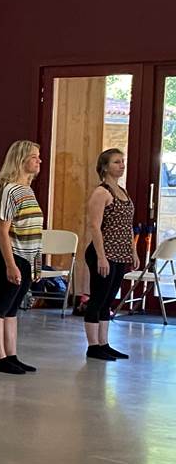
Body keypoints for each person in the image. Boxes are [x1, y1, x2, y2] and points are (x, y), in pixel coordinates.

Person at [0, 140, 45, 374]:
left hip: (26, 257)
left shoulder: (27, 190)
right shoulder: (9, 190)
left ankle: (11, 355)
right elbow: (2, 230)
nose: (39, 160)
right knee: (0, 307)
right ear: (20, 160)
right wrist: (11, 264)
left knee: (12, 309)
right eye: (34, 156)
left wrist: (35, 264)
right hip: (11, 255)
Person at [82, 148, 137, 360]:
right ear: (105, 167)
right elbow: (95, 227)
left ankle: (104, 343)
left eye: (122, 161)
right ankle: (93, 345)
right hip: (103, 253)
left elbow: (127, 225)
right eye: (116, 162)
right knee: (97, 298)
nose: (122, 165)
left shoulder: (123, 192)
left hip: (119, 253)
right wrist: (101, 256)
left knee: (108, 300)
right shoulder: (101, 192)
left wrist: (132, 250)